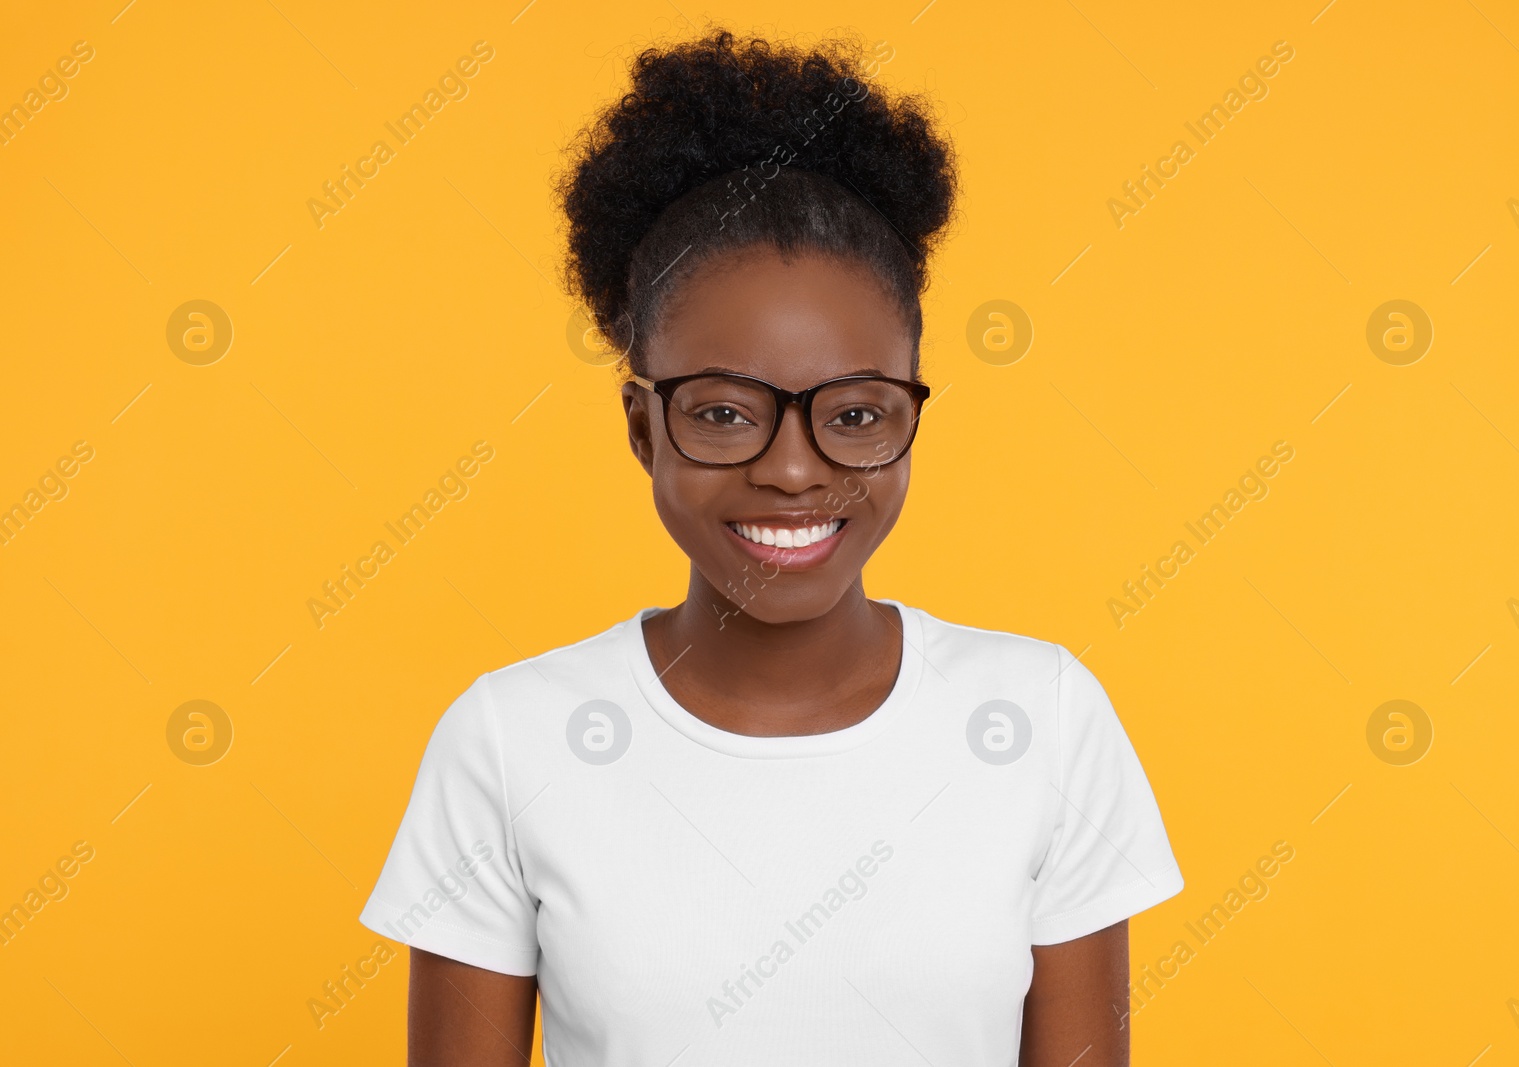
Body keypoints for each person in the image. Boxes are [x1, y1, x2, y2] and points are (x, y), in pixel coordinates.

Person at [359, 27, 1182, 1067]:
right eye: (722, 413)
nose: (792, 470)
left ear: (908, 412)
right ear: (640, 424)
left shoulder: (1042, 719)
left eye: (852, 414)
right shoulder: (511, 740)